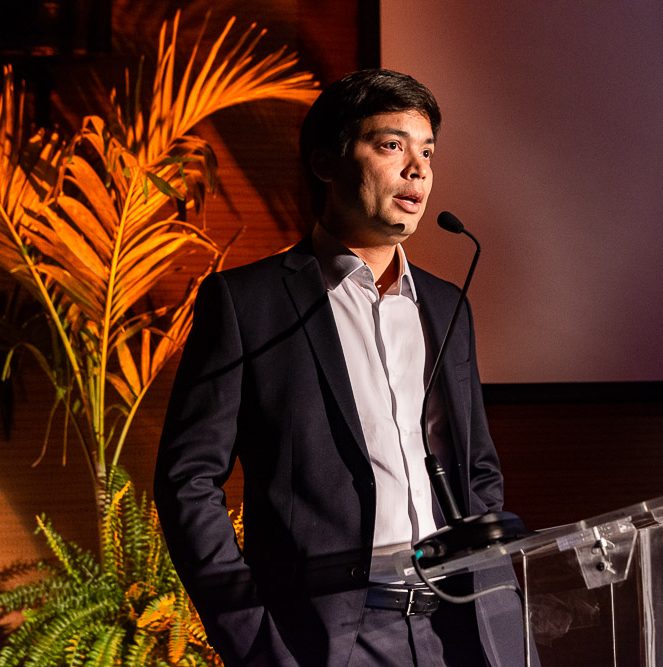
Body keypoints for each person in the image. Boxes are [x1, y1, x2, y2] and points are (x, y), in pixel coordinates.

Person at [155, 69, 525, 666]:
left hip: (459, 627)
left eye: (428, 151)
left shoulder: (446, 304)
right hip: (330, 639)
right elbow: (188, 483)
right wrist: (253, 638)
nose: (418, 169)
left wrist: (496, 601)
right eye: (392, 145)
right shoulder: (248, 305)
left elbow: (477, 470)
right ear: (326, 162)